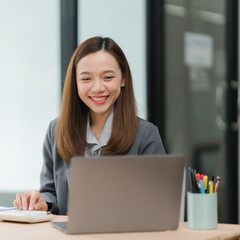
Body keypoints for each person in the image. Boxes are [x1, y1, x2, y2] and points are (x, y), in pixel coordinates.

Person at [13, 36, 165, 215]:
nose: (98, 88)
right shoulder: (57, 130)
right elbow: (50, 191)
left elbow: (159, 203)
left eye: (108, 77)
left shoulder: (146, 134)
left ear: (123, 79)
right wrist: (43, 202)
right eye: (86, 79)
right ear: (75, 82)